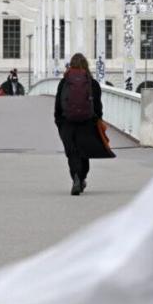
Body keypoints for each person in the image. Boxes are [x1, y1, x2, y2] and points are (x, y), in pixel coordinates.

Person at [54, 53, 103, 196]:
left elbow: (58, 105)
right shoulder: (92, 83)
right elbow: (98, 107)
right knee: (84, 152)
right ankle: (82, 178)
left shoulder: (64, 82)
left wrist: (59, 122)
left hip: (67, 122)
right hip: (87, 122)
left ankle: (75, 177)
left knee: (72, 153)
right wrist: (97, 121)